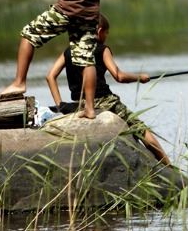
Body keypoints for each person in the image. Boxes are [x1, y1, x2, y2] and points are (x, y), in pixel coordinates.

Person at [45, 15, 170, 165]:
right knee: (141, 129)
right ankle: (169, 166)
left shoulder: (69, 51)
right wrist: (140, 78)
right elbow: (119, 76)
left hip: (81, 104)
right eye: (106, 32)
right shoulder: (102, 49)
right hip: (105, 101)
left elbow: (50, 76)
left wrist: (60, 105)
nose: (107, 36)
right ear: (98, 31)